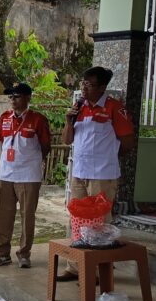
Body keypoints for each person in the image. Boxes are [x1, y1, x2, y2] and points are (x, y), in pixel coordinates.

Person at [57, 66, 136, 282]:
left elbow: (128, 142)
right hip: (79, 173)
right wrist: (68, 120)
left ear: (102, 87)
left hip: (102, 175)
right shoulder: (79, 107)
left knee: (100, 223)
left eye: (89, 85)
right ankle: (75, 268)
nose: (84, 88)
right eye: (83, 83)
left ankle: (100, 272)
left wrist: (108, 158)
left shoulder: (114, 108)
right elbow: (67, 140)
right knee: (77, 219)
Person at [0, 82, 51, 269]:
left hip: (29, 176)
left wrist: (32, 161)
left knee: (27, 216)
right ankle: (2, 253)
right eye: (11, 96)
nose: (13, 100)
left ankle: (24, 254)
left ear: (28, 98)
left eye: (17, 96)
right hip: (6, 174)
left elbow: (45, 146)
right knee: (3, 216)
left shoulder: (38, 119)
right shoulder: (4, 117)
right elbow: (0, 140)